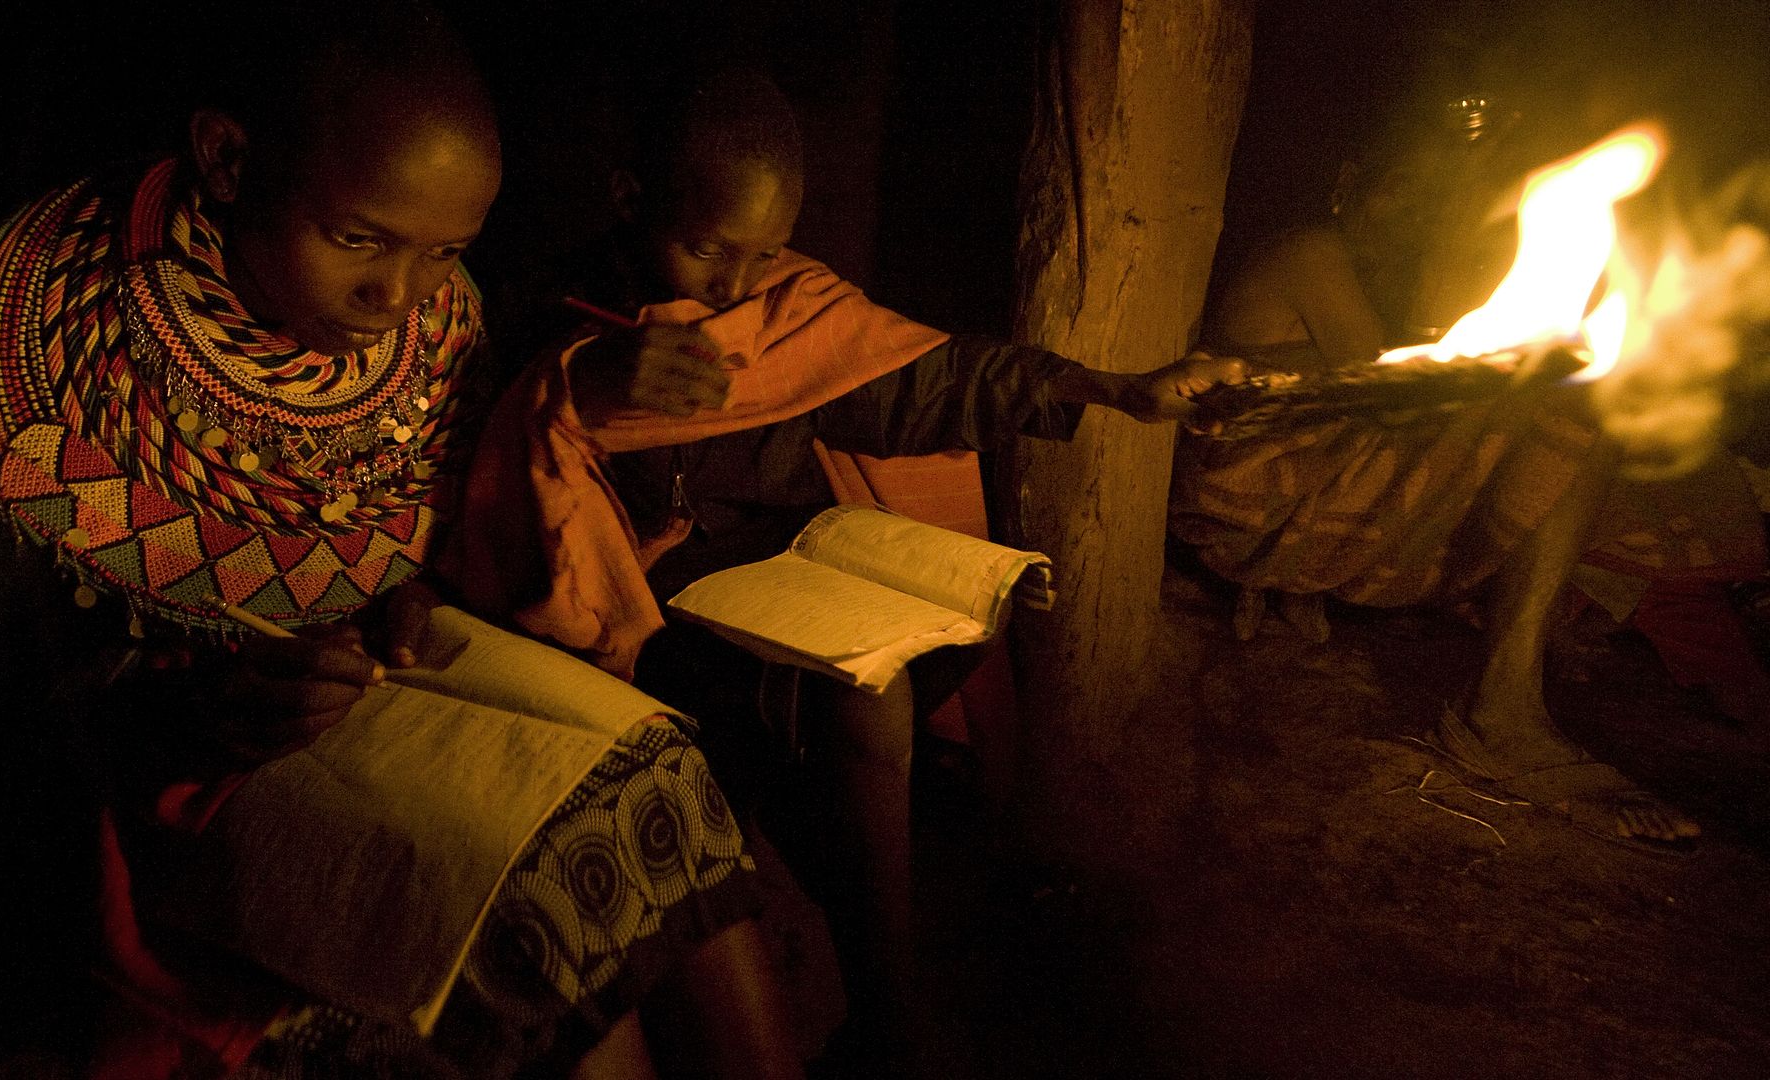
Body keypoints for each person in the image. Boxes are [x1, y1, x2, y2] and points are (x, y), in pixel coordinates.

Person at [0, 7, 801, 1078]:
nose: (397, 297)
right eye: (358, 239)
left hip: (374, 688)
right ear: (226, 159)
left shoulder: (433, 334)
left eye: (445, 252)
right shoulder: (55, 357)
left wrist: (401, 590)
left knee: (661, 767)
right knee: (536, 892)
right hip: (175, 769)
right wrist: (192, 711)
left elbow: (424, 530)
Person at [440, 67, 1244, 1069]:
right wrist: (582, 382)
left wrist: (1122, 392)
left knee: (873, 694)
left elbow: (937, 379)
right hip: (637, 614)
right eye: (706, 251)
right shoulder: (547, 310)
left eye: (764, 253)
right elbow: (486, 457)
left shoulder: (788, 311)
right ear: (630, 200)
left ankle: (887, 994)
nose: (735, 286)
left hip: (781, 586)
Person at [1169, 118, 1750, 854]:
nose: (1408, 214)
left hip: (1308, 488)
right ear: (1350, 184)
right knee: (1572, 414)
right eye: (1397, 192)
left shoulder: (1370, 269)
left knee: (1583, 409)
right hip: (1251, 508)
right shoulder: (1310, 249)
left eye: (1427, 201)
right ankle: (1503, 708)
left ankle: (1521, 670)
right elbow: (1390, 398)